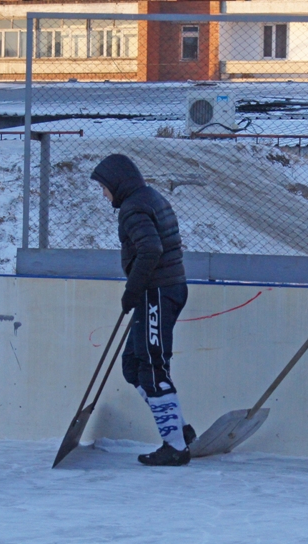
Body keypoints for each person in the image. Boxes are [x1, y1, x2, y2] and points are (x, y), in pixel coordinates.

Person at [90, 154, 195, 466]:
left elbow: (151, 249)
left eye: (104, 187)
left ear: (117, 183)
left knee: (152, 366)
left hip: (157, 293)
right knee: (133, 365)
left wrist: (132, 291)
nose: (104, 193)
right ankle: (180, 430)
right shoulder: (148, 197)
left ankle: (175, 446)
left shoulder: (134, 206)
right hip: (162, 290)